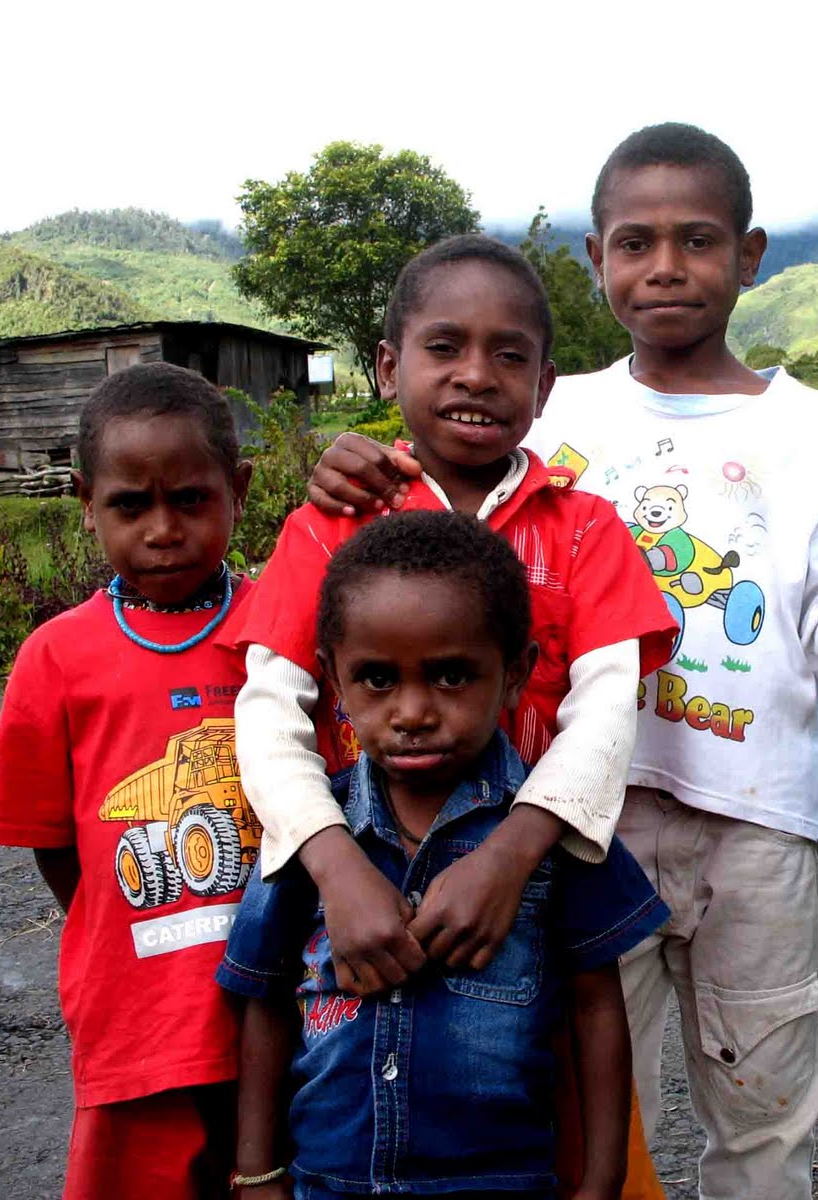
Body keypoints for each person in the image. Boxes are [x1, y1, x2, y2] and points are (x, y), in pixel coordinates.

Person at [309, 123, 818, 1199]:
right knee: (590, 1095)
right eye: (636, 241)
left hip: (754, 819)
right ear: (596, 260)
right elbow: (438, 496)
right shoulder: (555, 404)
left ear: (751, 256)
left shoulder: (805, 428)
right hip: (578, 821)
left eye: (698, 241)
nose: (666, 266)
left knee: (760, 1103)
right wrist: (352, 462)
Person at [224, 234, 675, 1196]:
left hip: (540, 886)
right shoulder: (330, 521)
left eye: (509, 354)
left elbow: (605, 714)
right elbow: (268, 710)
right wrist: (335, 866)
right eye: (444, 346)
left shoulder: (586, 529)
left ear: (546, 384)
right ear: (388, 366)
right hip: (360, 873)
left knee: (553, 1110)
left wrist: (511, 856)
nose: (477, 374)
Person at [218, 511, 666, 1198]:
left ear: (515, 674)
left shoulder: (554, 841)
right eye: (376, 679)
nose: (413, 711)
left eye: (452, 677)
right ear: (333, 681)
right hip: (331, 1183)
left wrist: (602, 1181)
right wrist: (257, 1171)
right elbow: (266, 999)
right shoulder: (308, 839)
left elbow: (597, 1009)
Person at [0, 362, 257, 1199]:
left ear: (237, 490)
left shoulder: (279, 627)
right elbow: (58, 850)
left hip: (282, 1003)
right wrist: (133, 920)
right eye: (131, 506)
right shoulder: (55, 658)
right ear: (86, 503)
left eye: (192, 499)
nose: (163, 529)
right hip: (140, 1008)